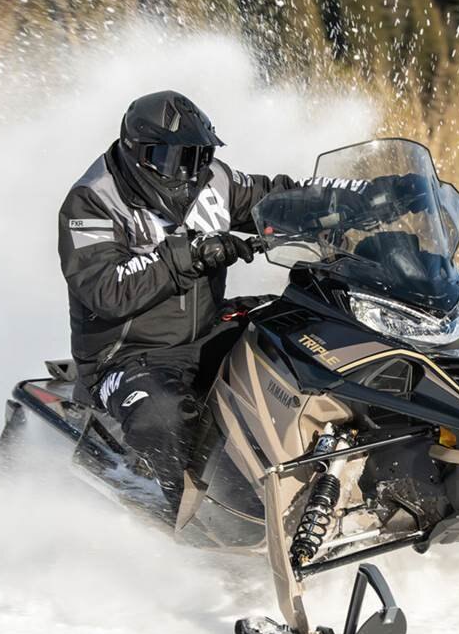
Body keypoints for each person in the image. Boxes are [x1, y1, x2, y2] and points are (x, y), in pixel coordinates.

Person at [58, 90, 301, 515]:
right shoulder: (92, 200)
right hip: (128, 356)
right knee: (163, 416)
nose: (187, 171)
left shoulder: (214, 180)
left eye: (197, 157)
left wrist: (348, 200)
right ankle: (199, 516)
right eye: (172, 158)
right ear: (138, 152)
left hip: (205, 328)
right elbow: (106, 289)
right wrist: (192, 253)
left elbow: (275, 200)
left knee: (304, 330)